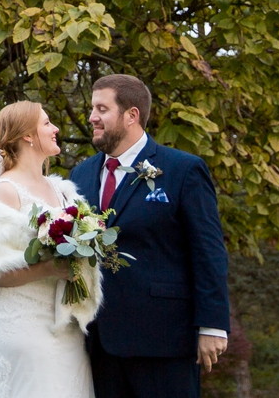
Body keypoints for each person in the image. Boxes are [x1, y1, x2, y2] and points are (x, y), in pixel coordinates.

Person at [68, 74, 230, 398]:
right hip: (98, 342)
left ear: (132, 115)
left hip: (164, 340)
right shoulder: (80, 174)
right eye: (91, 108)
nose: (92, 118)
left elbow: (208, 250)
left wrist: (213, 324)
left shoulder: (183, 169)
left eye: (102, 108)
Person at [0, 101, 98, 398]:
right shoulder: (5, 190)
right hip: (22, 328)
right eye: (47, 123)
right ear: (27, 136)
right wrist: (48, 267)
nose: (56, 128)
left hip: (63, 327)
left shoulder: (62, 190)